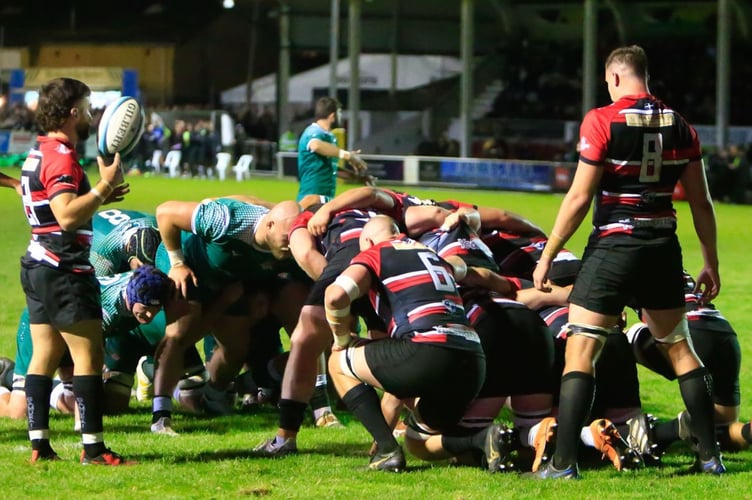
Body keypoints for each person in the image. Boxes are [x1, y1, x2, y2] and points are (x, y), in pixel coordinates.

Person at [530, 45, 723, 478]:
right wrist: (710, 261)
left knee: (581, 348)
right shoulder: (681, 125)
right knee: (678, 346)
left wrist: (547, 254)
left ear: (614, 77)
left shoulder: (601, 120)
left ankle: (561, 464)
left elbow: (580, 197)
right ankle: (710, 458)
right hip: (661, 248)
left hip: (615, 246)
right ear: (644, 76)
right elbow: (701, 202)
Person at [19, 77, 131, 465]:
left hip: (38, 263)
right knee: (90, 356)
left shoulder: (39, 150)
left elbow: (52, 207)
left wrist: (98, 195)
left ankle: (39, 446)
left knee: (44, 354)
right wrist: (102, 188)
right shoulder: (62, 157)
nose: (89, 116)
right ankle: (94, 449)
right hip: (64, 268)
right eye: (85, 108)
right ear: (71, 113)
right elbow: (66, 216)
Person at [324, 216, 486, 471]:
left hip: (426, 350)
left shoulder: (376, 252)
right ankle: (483, 441)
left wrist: (341, 339)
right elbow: (462, 266)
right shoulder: (431, 252)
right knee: (418, 442)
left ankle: (386, 450)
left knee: (337, 363)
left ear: (367, 241)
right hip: (473, 361)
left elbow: (335, 296)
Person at [295, 97, 369, 203]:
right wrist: (347, 155)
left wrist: (357, 178)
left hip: (325, 197)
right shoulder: (313, 132)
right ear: (332, 115)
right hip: (311, 198)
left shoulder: (329, 136)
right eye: (339, 113)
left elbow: (331, 168)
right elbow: (316, 145)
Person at [90, 208, 161, 275]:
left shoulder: (159, 226)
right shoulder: (100, 259)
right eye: (140, 267)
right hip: (96, 234)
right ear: (132, 257)